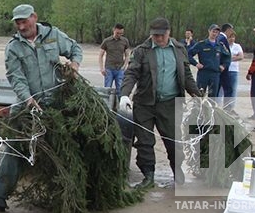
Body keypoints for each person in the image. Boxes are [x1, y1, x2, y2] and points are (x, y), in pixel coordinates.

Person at [0, 4, 81, 213]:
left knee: (63, 148)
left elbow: (75, 49)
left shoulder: (54, 36)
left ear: (34, 17)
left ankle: (66, 196)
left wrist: (74, 65)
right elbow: (15, 77)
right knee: (14, 148)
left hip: (55, 105)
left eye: (24, 20)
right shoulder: (13, 47)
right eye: (17, 22)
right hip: (26, 106)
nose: (21, 25)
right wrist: (28, 99)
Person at [118, 17, 200, 188]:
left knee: (174, 140)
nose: (158, 38)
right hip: (144, 103)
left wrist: (197, 95)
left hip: (170, 104)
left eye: (162, 35)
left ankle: (177, 172)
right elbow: (131, 73)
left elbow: (186, 76)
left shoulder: (179, 49)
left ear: (169, 33)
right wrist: (124, 94)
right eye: (155, 35)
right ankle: (148, 176)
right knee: (145, 142)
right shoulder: (142, 51)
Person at [189, 24, 229, 97]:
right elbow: (188, 54)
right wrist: (196, 64)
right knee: (199, 96)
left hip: (215, 74)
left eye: (216, 32)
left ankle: (211, 109)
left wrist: (223, 66)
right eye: (213, 31)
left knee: (213, 97)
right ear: (209, 31)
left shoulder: (220, 45)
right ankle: (198, 108)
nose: (214, 34)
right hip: (203, 73)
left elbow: (227, 57)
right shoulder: (201, 44)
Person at [98, 23, 131, 90]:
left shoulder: (125, 41)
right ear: (114, 30)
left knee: (120, 88)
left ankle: (119, 100)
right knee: (107, 88)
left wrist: (125, 65)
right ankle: (108, 101)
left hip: (120, 68)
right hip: (109, 68)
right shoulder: (106, 41)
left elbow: (127, 54)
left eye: (121, 33)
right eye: (117, 33)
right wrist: (102, 68)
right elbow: (100, 55)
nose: (119, 35)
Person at [221, 28, 243, 112]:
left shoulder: (237, 46)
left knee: (233, 90)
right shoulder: (223, 45)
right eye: (230, 37)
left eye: (233, 37)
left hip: (234, 70)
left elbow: (241, 57)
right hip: (224, 70)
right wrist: (231, 58)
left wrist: (229, 58)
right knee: (221, 90)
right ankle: (220, 106)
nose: (232, 39)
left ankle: (230, 108)